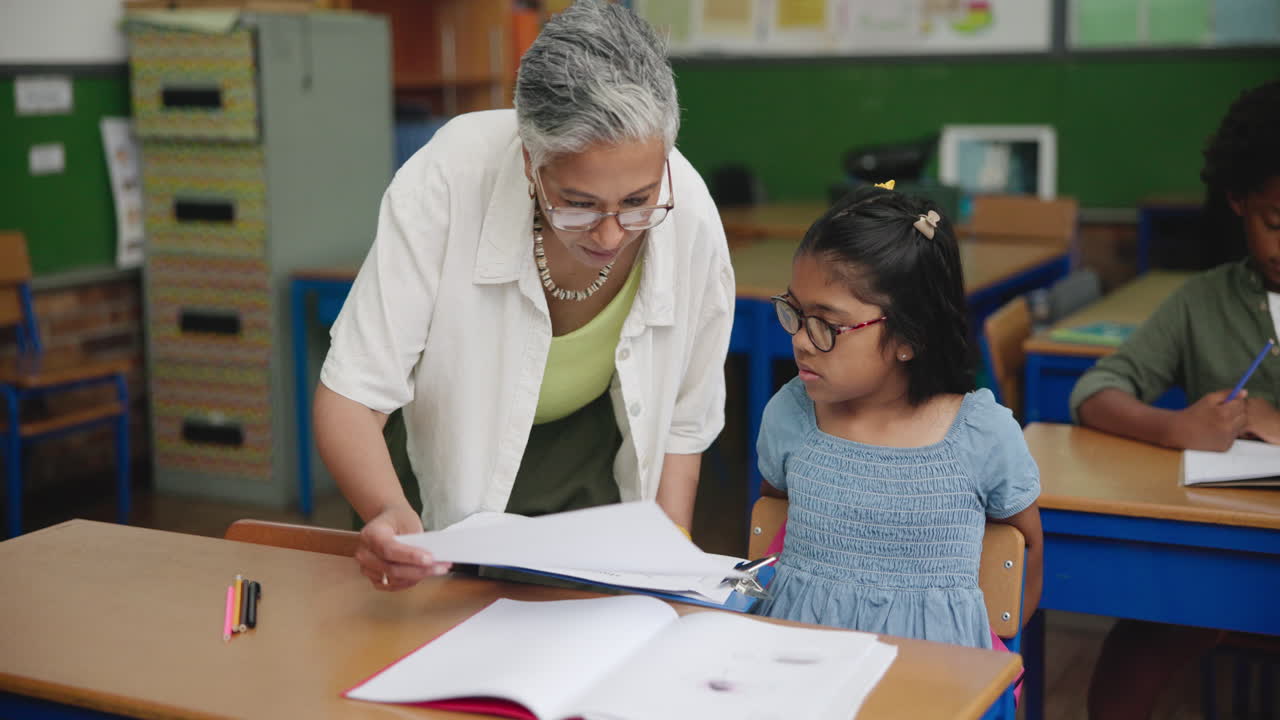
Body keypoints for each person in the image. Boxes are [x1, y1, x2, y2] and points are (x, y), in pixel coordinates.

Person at [313, 0, 734, 591]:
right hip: (440, 462)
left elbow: (682, 431)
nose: (611, 234)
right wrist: (386, 514)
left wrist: (664, 579)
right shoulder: (449, 178)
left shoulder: (688, 213)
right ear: (529, 161)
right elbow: (352, 396)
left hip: (588, 464)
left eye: (638, 202)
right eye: (580, 203)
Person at [749, 183, 1043, 649]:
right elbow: (775, 514)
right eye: (795, 313)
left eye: (827, 324)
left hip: (933, 683)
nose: (802, 340)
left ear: (911, 336)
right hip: (798, 670)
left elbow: (1026, 560)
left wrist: (987, 667)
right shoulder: (791, 414)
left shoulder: (981, 435)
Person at [1070, 78, 1280, 719]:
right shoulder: (1205, 301)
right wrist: (1176, 429)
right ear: (1239, 200)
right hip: (1229, 558)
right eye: (1277, 223)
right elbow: (1093, 391)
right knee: (1127, 664)